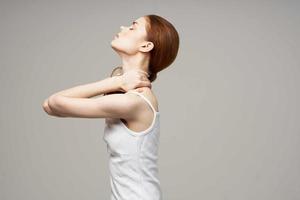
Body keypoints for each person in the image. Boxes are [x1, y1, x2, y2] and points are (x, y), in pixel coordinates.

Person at [42, 14, 180, 200]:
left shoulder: (134, 101)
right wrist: (117, 82)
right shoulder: (123, 91)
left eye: (132, 27)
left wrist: (115, 82)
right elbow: (49, 106)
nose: (123, 27)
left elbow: (55, 102)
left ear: (146, 46)